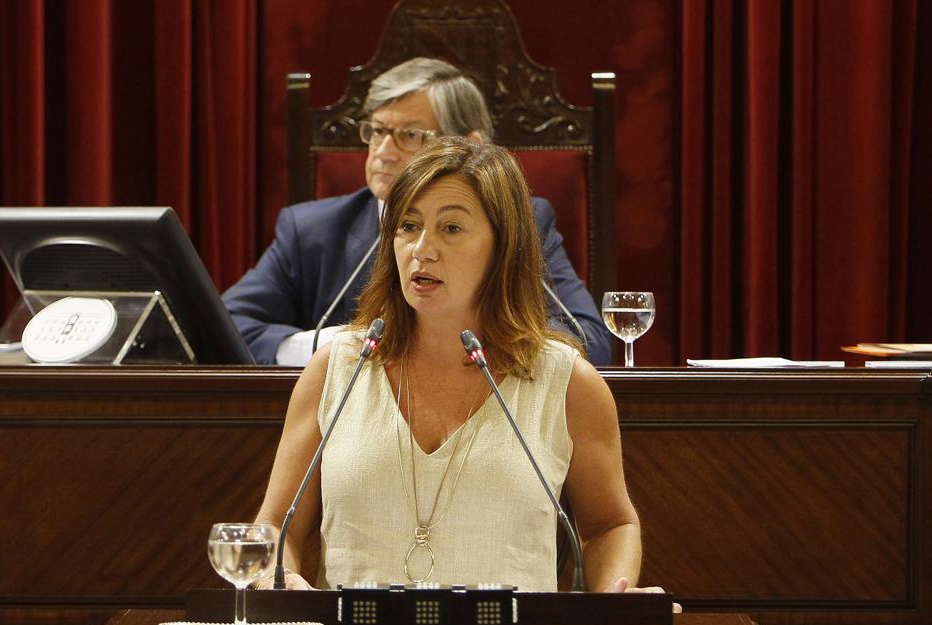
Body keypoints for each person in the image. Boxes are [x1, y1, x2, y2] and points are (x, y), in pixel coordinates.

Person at [254, 138, 662, 596]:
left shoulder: (567, 383)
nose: (421, 249)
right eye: (408, 226)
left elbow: (609, 524)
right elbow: (275, 528)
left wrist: (615, 597)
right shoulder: (338, 367)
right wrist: (280, 578)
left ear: (503, 248)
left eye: (451, 228)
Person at [223, 57, 611, 366]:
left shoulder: (518, 221)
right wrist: (337, 346)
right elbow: (226, 328)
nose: (384, 151)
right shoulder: (311, 229)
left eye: (409, 135)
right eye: (376, 131)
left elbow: (588, 341)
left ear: (468, 146)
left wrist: (452, 342)